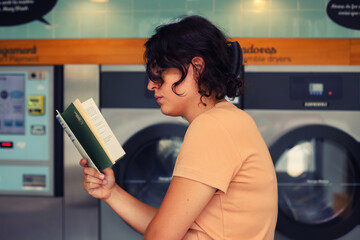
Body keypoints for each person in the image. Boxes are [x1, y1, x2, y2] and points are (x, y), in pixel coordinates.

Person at [80, 15, 278, 240]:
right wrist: (111, 193)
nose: (151, 84)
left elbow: (160, 236)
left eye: (160, 72)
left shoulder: (212, 127)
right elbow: (168, 227)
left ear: (197, 67)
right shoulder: (231, 119)